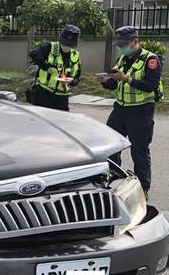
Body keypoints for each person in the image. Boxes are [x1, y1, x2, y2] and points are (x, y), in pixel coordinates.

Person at [98, 26, 164, 196]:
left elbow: (150, 86)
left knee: (139, 151)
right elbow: (115, 84)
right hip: (120, 110)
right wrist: (105, 81)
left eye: (123, 44)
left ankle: (143, 189)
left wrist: (126, 78)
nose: (121, 48)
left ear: (135, 41)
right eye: (119, 45)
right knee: (111, 147)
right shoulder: (122, 59)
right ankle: (114, 181)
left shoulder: (151, 59)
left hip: (141, 111)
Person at [29, 25, 82, 111]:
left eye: (69, 45)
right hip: (45, 93)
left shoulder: (75, 55)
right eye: (64, 44)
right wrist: (46, 67)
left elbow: (77, 77)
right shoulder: (51, 47)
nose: (66, 47)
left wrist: (72, 81)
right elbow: (34, 54)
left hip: (62, 97)